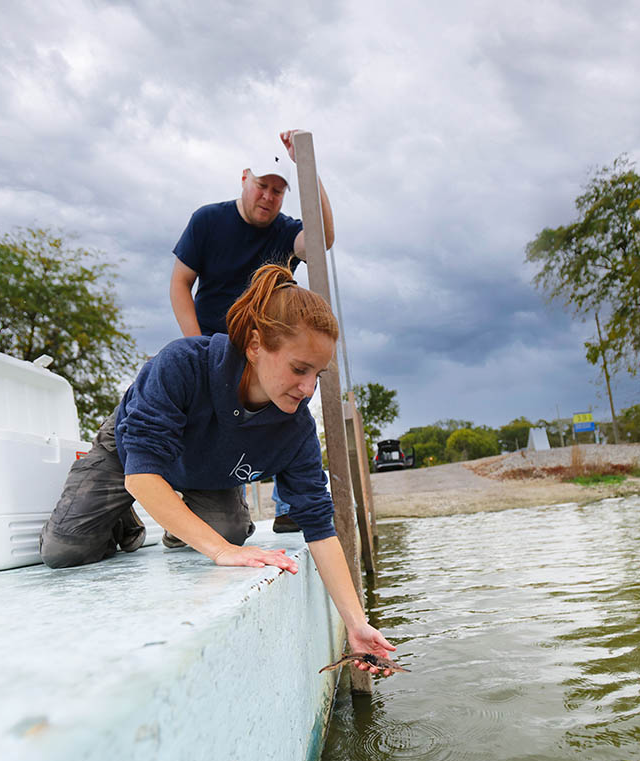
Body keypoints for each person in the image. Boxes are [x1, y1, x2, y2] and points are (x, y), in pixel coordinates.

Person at [40, 264, 395, 675]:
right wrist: (221, 551)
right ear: (257, 345)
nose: (308, 389)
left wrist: (355, 623)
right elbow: (141, 475)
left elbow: (320, 526)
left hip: (210, 472)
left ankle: (177, 522)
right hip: (132, 455)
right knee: (64, 550)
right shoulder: (182, 363)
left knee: (228, 533)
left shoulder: (296, 428)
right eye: (300, 369)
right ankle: (127, 521)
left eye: (318, 374)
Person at [169, 129, 335, 534]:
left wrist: (306, 168)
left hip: (272, 348)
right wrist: (197, 344)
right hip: (215, 347)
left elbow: (322, 240)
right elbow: (179, 283)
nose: (269, 197)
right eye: (263, 186)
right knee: (213, 424)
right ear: (245, 178)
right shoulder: (208, 220)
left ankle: (290, 504)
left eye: (279, 191)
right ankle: (192, 502)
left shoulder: (284, 231)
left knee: (290, 400)